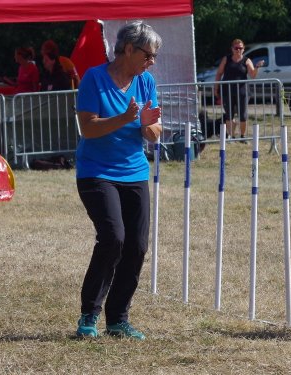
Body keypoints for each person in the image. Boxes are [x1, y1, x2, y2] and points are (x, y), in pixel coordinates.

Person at [75, 20, 162, 340]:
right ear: (128, 48)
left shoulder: (146, 81)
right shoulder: (94, 79)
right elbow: (88, 128)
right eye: (148, 55)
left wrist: (147, 125)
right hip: (96, 171)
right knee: (113, 238)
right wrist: (125, 118)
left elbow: (154, 133)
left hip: (134, 171)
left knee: (136, 246)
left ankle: (117, 319)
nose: (151, 61)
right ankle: (89, 315)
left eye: (154, 57)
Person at [214, 39, 264, 143]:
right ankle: (232, 137)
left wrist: (257, 66)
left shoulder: (247, 60)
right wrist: (216, 87)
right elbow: (219, 73)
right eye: (236, 48)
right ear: (232, 49)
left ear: (243, 49)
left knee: (243, 114)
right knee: (229, 114)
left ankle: (242, 136)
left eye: (240, 48)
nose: (238, 50)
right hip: (227, 90)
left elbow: (253, 75)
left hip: (243, 91)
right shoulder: (226, 59)